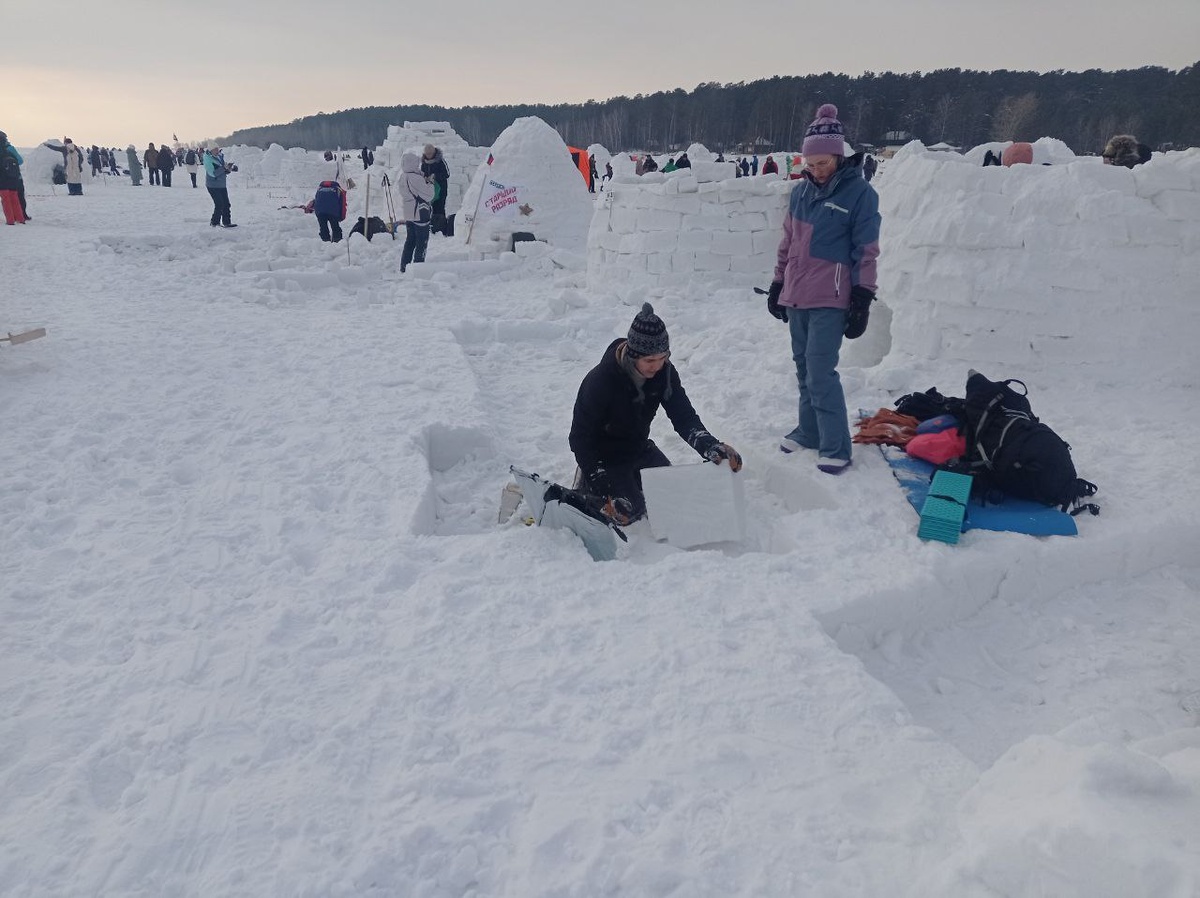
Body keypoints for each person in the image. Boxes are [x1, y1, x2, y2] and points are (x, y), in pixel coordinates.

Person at [766, 103, 880, 475]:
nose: (815, 171)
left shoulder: (859, 194)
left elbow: (866, 250)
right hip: (798, 292)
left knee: (820, 371)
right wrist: (778, 283)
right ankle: (809, 430)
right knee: (803, 367)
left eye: (822, 164)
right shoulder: (800, 194)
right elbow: (788, 242)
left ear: (838, 155)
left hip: (831, 297)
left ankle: (836, 445)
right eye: (810, 164)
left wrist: (862, 298)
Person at [569, 303, 742, 524]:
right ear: (633, 355)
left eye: (663, 358)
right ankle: (587, 489)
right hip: (604, 458)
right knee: (630, 511)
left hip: (638, 449)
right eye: (650, 361)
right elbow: (579, 437)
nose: (657, 367)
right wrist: (599, 478)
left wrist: (708, 444)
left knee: (670, 495)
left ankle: (626, 482)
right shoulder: (601, 381)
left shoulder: (665, 373)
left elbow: (683, 416)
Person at [398, 151, 434, 272]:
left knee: (410, 241)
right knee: (421, 242)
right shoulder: (416, 178)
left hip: (409, 214)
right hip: (420, 213)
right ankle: (418, 268)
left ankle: (404, 267)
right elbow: (429, 195)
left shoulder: (403, 176)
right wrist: (430, 182)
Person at [203, 144, 237, 227]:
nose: (217, 151)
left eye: (218, 149)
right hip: (213, 185)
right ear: (211, 150)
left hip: (221, 184)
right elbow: (213, 173)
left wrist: (229, 169)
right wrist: (223, 168)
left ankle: (227, 222)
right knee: (219, 204)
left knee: (226, 204)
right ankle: (214, 223)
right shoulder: (208, 159)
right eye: (215, 149)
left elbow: (223, 171)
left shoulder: (219, 157)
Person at [420, 143, 450, 234]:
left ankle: (441, 227)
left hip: (440, 189)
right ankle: (431, 226)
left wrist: (435, 176)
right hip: (428, 189)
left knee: (439, 207)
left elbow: (447, 174)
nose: (428, 156)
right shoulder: (424, 163)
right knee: (427, 208)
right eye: (427, 154)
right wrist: (424, 178)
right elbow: (422, 173)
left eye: (430, 154)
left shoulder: (440, 161)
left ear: (434, 153)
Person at [0, 131, 28, 224]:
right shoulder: (10, 150)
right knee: (15, 198)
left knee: (6, 200)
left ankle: (10, 220)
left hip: (2, 179)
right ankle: (20, 219)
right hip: (13, 178)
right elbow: (19, 161)